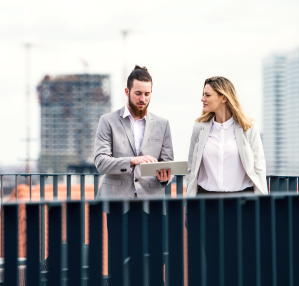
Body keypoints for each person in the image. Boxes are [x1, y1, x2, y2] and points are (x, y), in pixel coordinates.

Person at [94, 65, 173, 201]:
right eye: (138, 93)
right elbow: (101, 162)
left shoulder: (163, 124)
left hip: (151, 202)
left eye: (147, 94)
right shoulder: (107, 121)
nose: (143, 99)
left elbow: (167, 163)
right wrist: (132, 161)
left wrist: (165, 178)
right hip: (117, 201)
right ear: (127, 91)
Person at [186, 76, 267, 197]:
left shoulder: (249, 128)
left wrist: (264, 205)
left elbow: (259, 168)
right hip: (206, 202)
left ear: (224, 98)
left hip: (243, 203)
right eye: (203, 94)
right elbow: (191, 170)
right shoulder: (199, 128)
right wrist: (189, 204)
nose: (202, 99)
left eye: (207, 95)